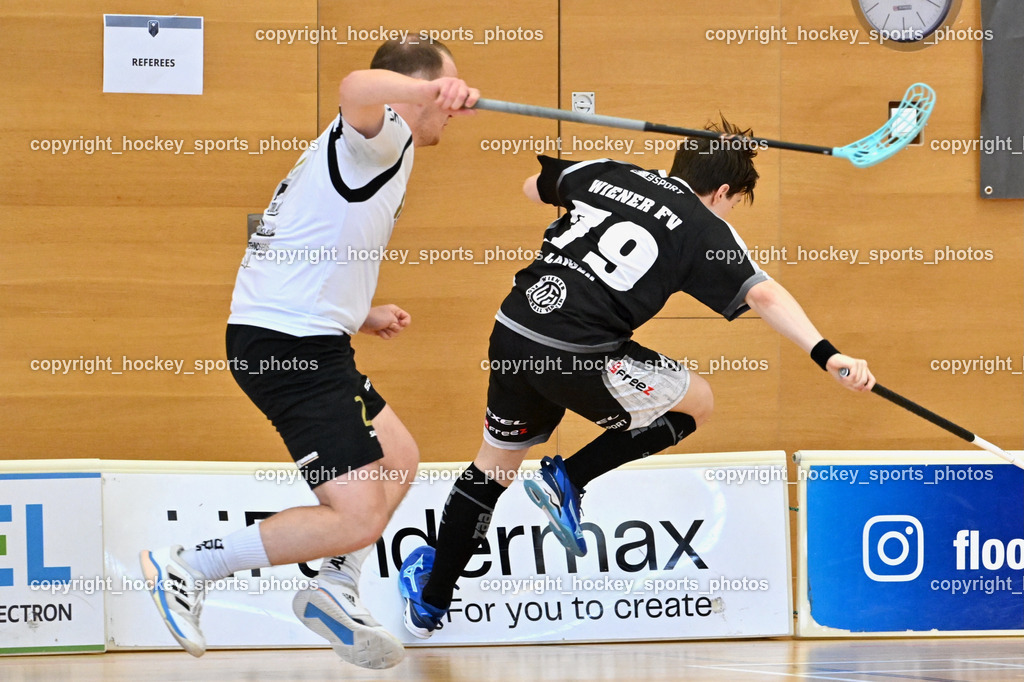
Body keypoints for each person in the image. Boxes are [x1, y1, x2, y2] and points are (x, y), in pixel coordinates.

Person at [397, 120, 876, 638]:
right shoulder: (706, 227)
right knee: (698, 403)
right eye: (734, 201)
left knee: (492, 468)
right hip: (579, 353)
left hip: (514, 330)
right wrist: (827, 354)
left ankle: (429, 604)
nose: (730, 210)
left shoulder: (608, 171)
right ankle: (572, 478)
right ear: (722, 192)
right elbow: (763, 295)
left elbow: (533, 188)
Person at [139, 37, 479, 668]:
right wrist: (421, 93)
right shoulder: (384, 132)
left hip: (309, 337)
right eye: (445, 93)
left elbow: (312, 233)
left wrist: (359, 311)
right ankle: (188, 565)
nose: (452, 111)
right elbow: (355, 85)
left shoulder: (369, 150)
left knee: (399, 456)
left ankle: (334, 586)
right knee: (355, 517)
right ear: (412, 90)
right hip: (287, 346)